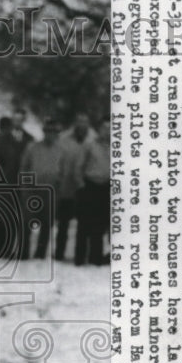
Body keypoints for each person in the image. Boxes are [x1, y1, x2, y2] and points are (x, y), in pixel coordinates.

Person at [19, 117, 66, 259]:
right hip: (32, 189)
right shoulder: (32, 147)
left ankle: (40, 254)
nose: (50, 134)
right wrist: (26, 187)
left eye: (53, 131)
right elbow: (24, 167)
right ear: (43, 132)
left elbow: (63, 170)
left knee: (47, 223)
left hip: (51, 191)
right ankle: (23, 253)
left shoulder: (61, 150)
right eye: (47, 131)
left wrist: (59, 186)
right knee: (27, 222)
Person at [56, 112, 94, 261]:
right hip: (66, 187)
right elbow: (58, 161)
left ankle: (81, 255)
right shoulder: (63, 139)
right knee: (63, 224)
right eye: (79, 121)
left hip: (85, 187)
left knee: (84, 224)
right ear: (75, 123)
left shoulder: (93, 139)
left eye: (85, 121)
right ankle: (59, 254)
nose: (82, 124)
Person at [75, 116, 111, 266]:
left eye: (111, 128)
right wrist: (81, 185)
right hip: (90, 186)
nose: (108, 131)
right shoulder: (89, 145)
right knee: (84, 223)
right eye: (105, 128)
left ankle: (95, 258)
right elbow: (78, 167)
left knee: (100, 224)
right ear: (99, 129)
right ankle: (79, 258)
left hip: (106, 188)